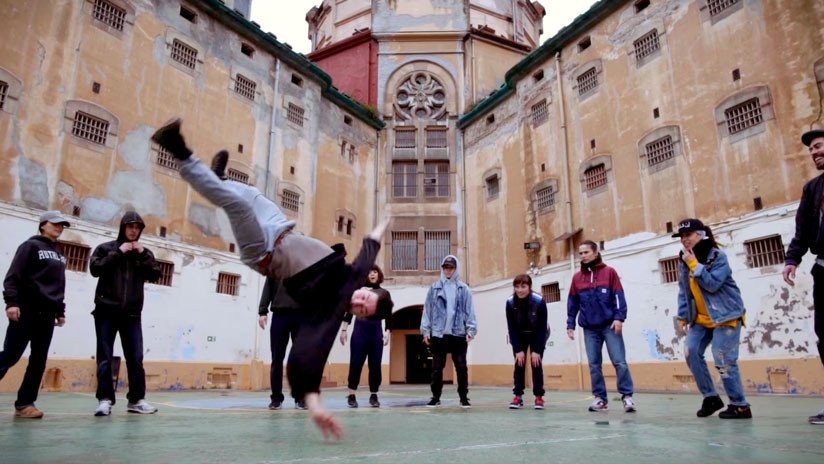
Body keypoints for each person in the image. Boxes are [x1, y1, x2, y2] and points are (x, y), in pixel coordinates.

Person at [151, 118, 390, 439]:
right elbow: (368, 249)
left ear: (359, 315)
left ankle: (179, 152)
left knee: (237, 206)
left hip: (264, 251)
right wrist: (387, 221)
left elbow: (309, 357)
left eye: (362, 310)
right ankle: (219, 178)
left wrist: (316, 405)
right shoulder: (355, 278)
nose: (359, 303)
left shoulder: (328, 314)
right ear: (367, 290)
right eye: (366, 299)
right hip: (280, 226)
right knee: (251, 196)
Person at [675, 219, 752, 419]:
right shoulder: (684, 260)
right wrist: (682, 316)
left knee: (723, 359)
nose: (685, 240)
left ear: (701, 234)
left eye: (689, 235)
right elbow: (684, 290)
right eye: (682, 237)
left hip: (726, 315)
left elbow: (713, 284)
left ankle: (740, 405)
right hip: (701, 319)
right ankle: (711, 397)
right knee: (691, 351)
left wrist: (693, 263)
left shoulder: (718, 256)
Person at [89, 211, 162, 416]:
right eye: (130, 226)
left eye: (137, 227)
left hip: (132, 314)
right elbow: (95, 269)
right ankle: (105, 400)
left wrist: (141, 256)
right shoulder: (106, 248)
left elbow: (155, 274)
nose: (133, 230)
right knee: (104, 357)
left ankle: (136, 400)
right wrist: (118, 253)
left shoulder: (144, 252)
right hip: (106, 312)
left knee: (136, 358)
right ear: (123, 227)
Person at [0, 211, 70, 419]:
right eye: (55, 224)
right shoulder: (30, 246)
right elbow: (13, 276)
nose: (59, 227)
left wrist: (60, 310)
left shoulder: (59, 254)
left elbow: (59, 285)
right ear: (43, 225)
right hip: (26, 310)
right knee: (11, 355)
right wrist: (11, 302)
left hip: (47, 315)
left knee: (38, 361)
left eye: (62, 225)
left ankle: (25, 403)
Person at [783, 128, 824, 425]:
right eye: (812, 149)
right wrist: (792, 259)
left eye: (819, 146)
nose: (815, 152)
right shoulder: (813, 189)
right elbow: (803, 228)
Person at [567, 240, 636, 413]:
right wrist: (570, 324)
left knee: (619, 362)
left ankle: (627, 397)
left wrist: (619, 318)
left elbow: (619, 297)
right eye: (580, 253)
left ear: (595, 253)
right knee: (594, 364)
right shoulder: (577, 278)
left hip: (610, 325)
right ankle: (600, 400)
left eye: (586, 252)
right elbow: (572, 302)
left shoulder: (609, 273)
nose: (583, 256)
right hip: (589, 329)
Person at [421, 255, 477, 408]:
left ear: (456, 268)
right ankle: (435, 397)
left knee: (461, 367)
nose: (448, 270)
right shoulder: (434, 288)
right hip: (439, 334)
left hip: (458, 333)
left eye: (451, 267)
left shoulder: (464, 289)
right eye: (445, 267)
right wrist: (426, 331)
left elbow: (469, 310)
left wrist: (471, 330)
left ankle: (463, 398)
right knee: (437, 367)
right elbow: (427, 311)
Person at [339, 265, 393, 408]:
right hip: (359, 332)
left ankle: (374, 395)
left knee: (375, 365)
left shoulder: (384, 293)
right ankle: (351, 395)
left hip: (376, 333)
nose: (372, 274)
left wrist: (387, 332)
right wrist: (344, 330)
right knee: (356, 363)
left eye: (375, 271)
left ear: (379, 275)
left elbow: (388, 314)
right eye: (369, 271)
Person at [258, 277, 307, 410]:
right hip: (280, 316)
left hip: (301, 316)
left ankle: (300, 398)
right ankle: (276, 398)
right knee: (277, 359)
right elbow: (268, 288)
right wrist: (263, 311)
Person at [505, 274, 548, 410]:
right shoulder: (510, 303)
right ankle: (518, 396)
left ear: (529, 287)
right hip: (519, 335)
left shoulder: (539, 301)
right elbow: (511, 328)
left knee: (536, 364)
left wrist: (537, 350)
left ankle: (539, 397)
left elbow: (542, 328)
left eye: (523, 286)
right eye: (517, 287)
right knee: (519, 364)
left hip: (537, 334)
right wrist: (518, 350)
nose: (520, 290)